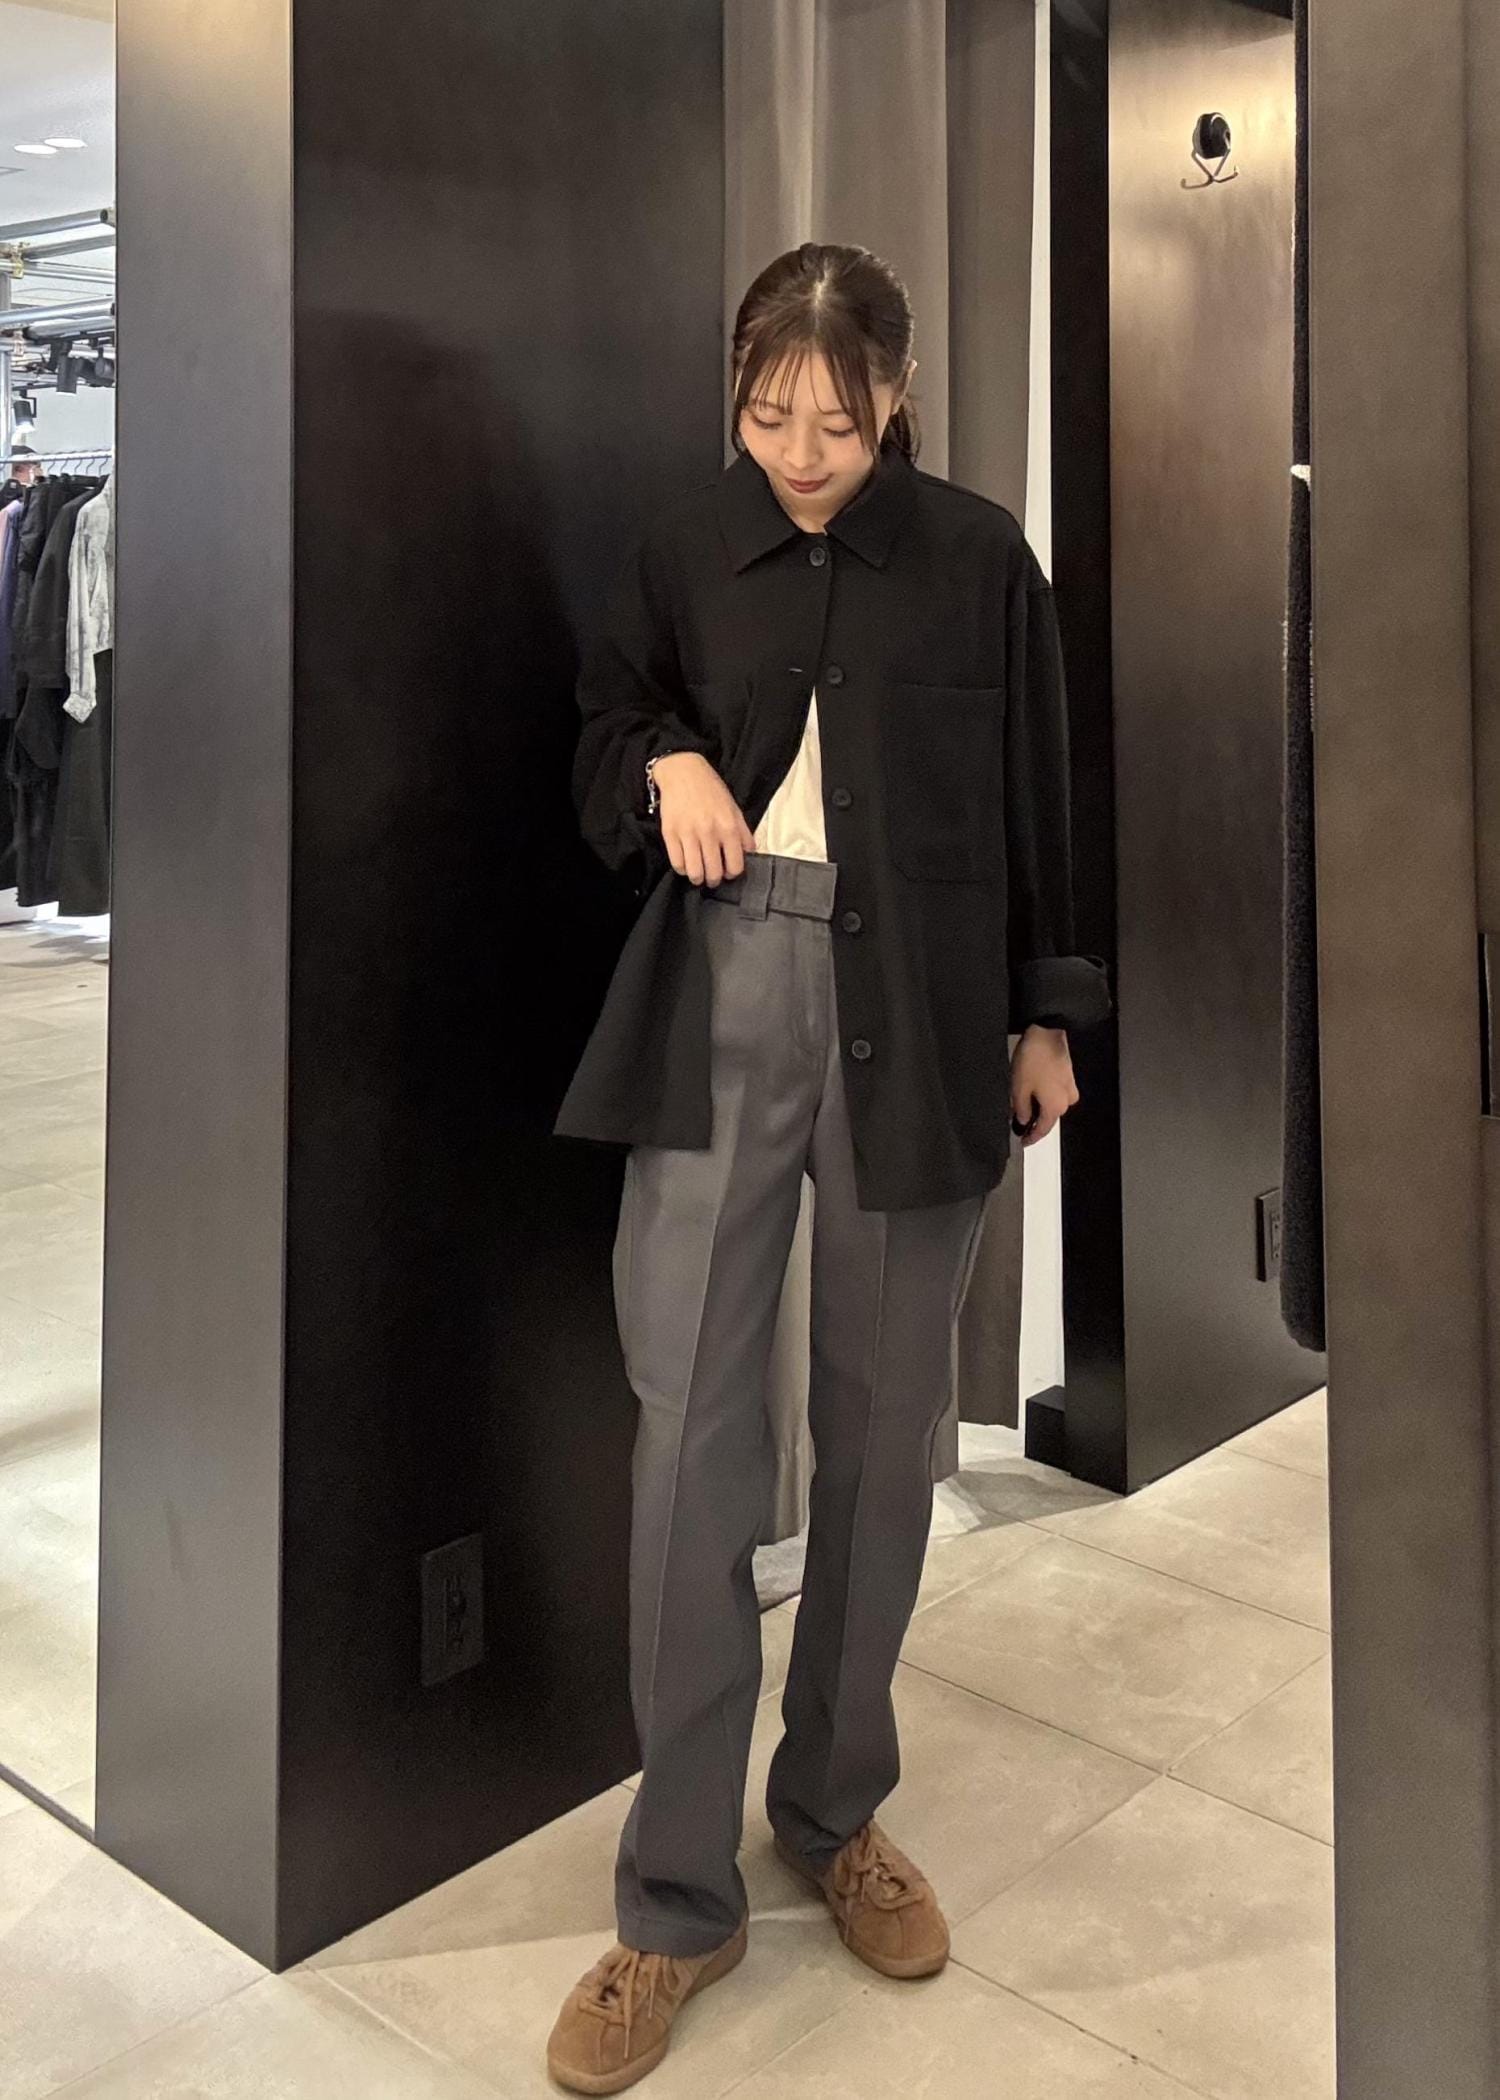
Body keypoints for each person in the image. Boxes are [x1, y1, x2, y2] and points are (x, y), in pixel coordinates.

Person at [547, 240, 1112, 2094]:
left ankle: (836, 1810)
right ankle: (670, 1902)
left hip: (925, 1015)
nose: (801, 453)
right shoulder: (680, 547)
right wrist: (661, 771)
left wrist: (1048, 1015)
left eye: (838, 422)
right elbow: (603, 732)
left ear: (900, 400)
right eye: (771, 414)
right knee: (690, 1440)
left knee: (881, 1443)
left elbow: (1042, 797)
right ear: (738, 395)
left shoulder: (980, 559)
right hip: (720, 996)